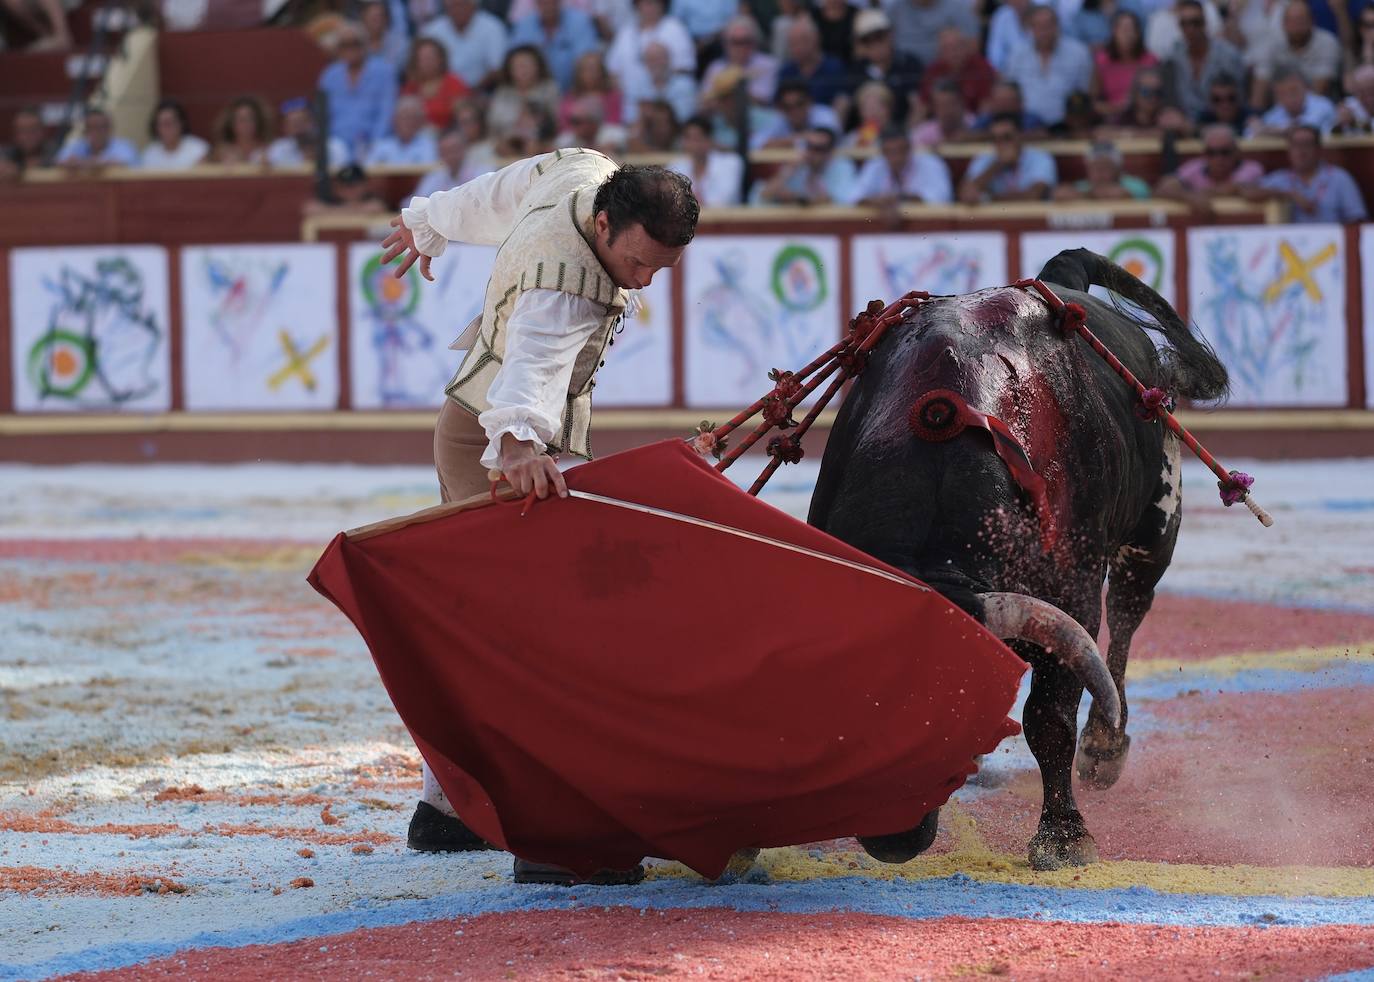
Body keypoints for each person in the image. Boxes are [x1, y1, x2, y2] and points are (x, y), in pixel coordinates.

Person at [381, 150, 700, 886]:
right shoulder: (569, 287)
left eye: (662, 269)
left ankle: (447, 810)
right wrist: (522, 445)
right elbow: (533, 360)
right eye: (639, 261)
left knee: (499, 627)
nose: (645, 279)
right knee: (527, 636)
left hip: (480, 428)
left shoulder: (583, 173)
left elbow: (500, 192)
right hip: (496, 443)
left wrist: (428, 222)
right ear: (604, 223)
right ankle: (549, 834)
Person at [1247, 123, 1367, 221]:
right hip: (1290, 247)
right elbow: (1248, 192)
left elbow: (1357, 219)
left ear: (1319, 150)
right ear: (1289, 151)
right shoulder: (1281, 179)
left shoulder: (1340, 178)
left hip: (1333, 246)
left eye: (1307, 145)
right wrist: (1289, 194)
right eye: (1296, 145)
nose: (1301, 151)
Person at [317, 21, 398, 162]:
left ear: (365, 45)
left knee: (383, 151)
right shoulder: (329, 76)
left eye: (355, 43)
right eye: (344, 45)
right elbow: (322, 116)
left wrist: (374, 143)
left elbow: (387, 113)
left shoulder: (384, 72)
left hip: (374, 144)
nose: (350, 49)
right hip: (336, 145)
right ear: (338, 49)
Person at [1003, 5, 1095, 126]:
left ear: (1057, 26)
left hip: (1067, 126)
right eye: (1039, 27)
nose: (1044, 32)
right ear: (1030, 28)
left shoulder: (1078, 53)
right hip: (1027, 126)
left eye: (1048, 26)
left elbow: (1086, 92)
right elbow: (1010, 92)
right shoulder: (1016, 55)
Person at [1249, 0, 1342, 105]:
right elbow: (1261, 83)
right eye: (1292, 21)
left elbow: (1321, 90)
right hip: (1281, 108)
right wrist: (1256, 114)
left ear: (1312, 21)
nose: (1297, 26)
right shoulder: (1271, 44)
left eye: (1301, 20)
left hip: (1320, 108)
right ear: (1283, 23)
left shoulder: (1327, 43)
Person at [1155, 122, 1264, 211]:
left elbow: (1232, 189)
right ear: (1204, 155)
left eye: (1224, 152)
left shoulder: (1250, 168)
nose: (1218, 158)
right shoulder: (1195, 167)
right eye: (1211, 153)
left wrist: (1195, 195)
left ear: (1236, 152)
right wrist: (1189, 197)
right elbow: (1162, 188)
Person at [1165, 0, 1245, 121]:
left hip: (1220, 124)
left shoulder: (1228, 55)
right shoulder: (1174, 56)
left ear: (1205, 23)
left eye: (1195, 23)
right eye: (1184, 24)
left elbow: (1237, 100)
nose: (1190, 28)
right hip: (1183, 126)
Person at [959, 112, 1058, 203]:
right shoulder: (985, 158)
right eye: (995, 139)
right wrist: (998, 165)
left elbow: (1034, 195)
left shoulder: (1040, 158)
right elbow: (966, 194)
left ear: (1020, 136)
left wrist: (989, 199)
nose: (1001, 144)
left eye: (1007, 137)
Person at [846, 125, 953, 206]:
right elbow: (853, 198)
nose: (896, 157)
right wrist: (878, 202)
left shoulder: (931, 163)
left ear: (909, 147)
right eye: (890, 152)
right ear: (883, 152)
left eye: (901, 150)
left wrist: (899, 200)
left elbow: (942, 198)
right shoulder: (875, 165)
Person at [605, 0, 696, 95]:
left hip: (666, 98)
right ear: (637, 6)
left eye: (654, 2)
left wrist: (657, 88)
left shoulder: (674, 28)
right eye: (645, 3)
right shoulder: (625, 33)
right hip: (630, 99)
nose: (649, 7)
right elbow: (613, 71)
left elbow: (684, 68)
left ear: (662, 5)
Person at [508, 0, 601, 91]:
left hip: (575, 93)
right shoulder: (524, 25)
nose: (548, 4)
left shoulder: (580, 22)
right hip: (535, 95)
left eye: (552, 1)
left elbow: (587, 62)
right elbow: (515, 63)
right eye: (543, 1)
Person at [850, 8, 925, 122]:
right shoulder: (857, 70)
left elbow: (919, 107)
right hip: (869, 133)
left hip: (903, 132)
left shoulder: (909, 64)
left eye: (879, 37)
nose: (874, 44)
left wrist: (907, 136)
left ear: (890, 35)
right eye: (866, 40)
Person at [750, 124, 855, 204]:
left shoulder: (842, 167)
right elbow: (763, 195)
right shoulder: (797, 165)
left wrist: (800, 200)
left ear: (829, 152)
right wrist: (789, 170)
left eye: (819, 149)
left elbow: (846, 201)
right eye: (810, 146)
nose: (812, 153)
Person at [420, 0, 510, 90]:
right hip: (440, 91)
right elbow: (418, 64)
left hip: (482, 92)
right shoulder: (432, 29)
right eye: (454, 5)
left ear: (474, 6)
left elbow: (497, 67)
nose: (458, 10)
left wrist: (470, 91)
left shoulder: (493, 27)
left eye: (462, 5)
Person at [776, 13, 852, 111]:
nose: (798, 47)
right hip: (792, 122)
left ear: (816, 38)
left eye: (803, 41)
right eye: (793, 43)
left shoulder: (834, 67)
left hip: (825, 121)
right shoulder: (786, 72)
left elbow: (844, 99)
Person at [701, 14, 779, 106]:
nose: (741, 48)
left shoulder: (768, 65)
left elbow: (763, 100)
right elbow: (704, 102)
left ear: (754, 43)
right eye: (735, 42)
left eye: (746, 41)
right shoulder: (716, 67)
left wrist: (730, 84)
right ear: (726, 44)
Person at [487, 45, 561, 138]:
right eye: (518, 65)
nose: (523, 70)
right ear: (509, 69)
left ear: (538, 66)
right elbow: (492, 125)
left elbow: (557, 122)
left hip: (542, 144)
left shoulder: (549, 89)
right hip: (505, 143)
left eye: (527, 64)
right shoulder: (502, 92)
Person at [1094, 10, 1158, 116]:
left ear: (1138, 33)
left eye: (1132, 30)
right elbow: (1094, 101)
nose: (1128, 34)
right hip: (1111, 119)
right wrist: (1114, 109)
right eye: (1124, 30)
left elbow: (1159, 96)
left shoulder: (1150, 61)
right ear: (1114, 32)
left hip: (1145, 118)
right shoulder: (1102, 61)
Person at [668, 115, 743, 206]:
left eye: (697, 138)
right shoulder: (675, 167)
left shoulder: (731, 163)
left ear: (709, 140)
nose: (692, 144)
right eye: (688, 138)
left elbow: (725, 200)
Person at [919, 28, 996, 114]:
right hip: (940, 122)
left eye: (957, 47)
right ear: (939, 53)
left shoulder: (981, 67)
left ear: (966, 47)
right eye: (947, 49)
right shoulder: (933, 71)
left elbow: (986, 105)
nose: (953, 53)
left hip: (975, 121)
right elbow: (923, 105)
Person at [402, 37, 471, 131]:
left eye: (431, 58)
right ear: (416, 62)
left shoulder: (454, 83)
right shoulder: (411, 86)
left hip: (447, 136)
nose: (427, 62)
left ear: (441, 59)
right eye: (423, 58)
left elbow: (462, 116)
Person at [751, 78, 842, 148]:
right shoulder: (779, 118)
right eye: (787, 106)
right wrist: (802, 138)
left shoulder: (824, 113)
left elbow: (825, 139)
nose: (795, 111)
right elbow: (755, 143)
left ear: (810, 102)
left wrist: (783, 142)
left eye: (799, 104)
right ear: (781, 107)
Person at [622, 40, 697, 124]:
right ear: (645, 63)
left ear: (668, 59)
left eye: (659, 58)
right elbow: (629, 117)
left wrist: (651, 113)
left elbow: (684, 116)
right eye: (651, 59)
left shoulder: (685, 84)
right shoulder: (635, 85)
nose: (655, 63)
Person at [410, 126, 495, 200]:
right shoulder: (436, 175)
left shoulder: (483, 171)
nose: (450, 155)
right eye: (445, 151)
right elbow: (417, 200)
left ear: (465, 148)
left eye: (454, 149)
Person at [887, 0, 980, 67]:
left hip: (947, 76)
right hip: (904, 75)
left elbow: (973, 46)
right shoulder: (894, 8)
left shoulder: (959, 7)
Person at [1247, 65, 1337, 133]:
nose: (1289, 97)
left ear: (1305, 88)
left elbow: (1304, 132)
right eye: (1282, 93)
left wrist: (1268, 131)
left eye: (1293, 90)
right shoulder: (1274, 114)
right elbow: (1252, 133)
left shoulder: (1323, 105)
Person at [268, 97, 352, 169]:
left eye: (302, 122)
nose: (298, 128)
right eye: (293, 124)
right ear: (285, 128)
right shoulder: (279, 149)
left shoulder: (335, 147)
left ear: (314, 122)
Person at [1053, 140, 1152, 199]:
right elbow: (1060, 194)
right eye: (1095, 168)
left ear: (1117, 170)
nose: (1099, 173)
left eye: (1105, 167)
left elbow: (1122, 195)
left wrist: (1086, 196)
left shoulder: (1136, 185)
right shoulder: (1081, 186)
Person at [559, 51, 624, 132]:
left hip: (604, 138)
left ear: (602, 72)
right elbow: (564, 125)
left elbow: (614, 123)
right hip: (577, 137)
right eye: (586, 69)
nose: (590, 73)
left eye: (593, 69)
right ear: (578, 73)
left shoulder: (612, 96)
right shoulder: (570, 98)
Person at [56, 107, 138, 169]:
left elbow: (126, 163)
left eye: (101, 127)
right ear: (85, 131)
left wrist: (91, 164)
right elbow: (60, 161)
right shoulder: (77, 145)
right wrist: (92, 164)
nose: (96, 132)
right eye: (92, 127)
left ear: (109, 129)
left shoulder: (123, 146)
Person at [367, 96, 440, 165]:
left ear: (420, 122)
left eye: (412, 117)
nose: (407, 122)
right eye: (403, 117)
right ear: (394, 120)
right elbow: (369, 173)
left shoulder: (431, 148)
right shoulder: (380, 147)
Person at [140, 98, 209, 170]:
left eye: (169, 123)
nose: (166, 129)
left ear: (181, 123)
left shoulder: (198, 150)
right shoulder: (150, 153)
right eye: (161, 124)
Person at [911, 78, 977, 147]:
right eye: (941, 105)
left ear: (962, 103)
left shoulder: (976, 124)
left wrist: (971, 137)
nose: (946, 111)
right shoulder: (922, 134)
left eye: (951, 104)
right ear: (933, 108)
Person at [303, 163, 389, 216]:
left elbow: (377, 207)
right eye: (344, 186)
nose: (349, 190)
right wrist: (351, 210)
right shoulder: (331, 200)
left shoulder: (372, 200)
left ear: (364, 185)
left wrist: (332, 212)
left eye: (353, 185)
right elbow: (309, 208)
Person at [556, 93, 630, 155]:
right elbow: (554, 150)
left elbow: (632, 145)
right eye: (572, 121)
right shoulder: (568, 138)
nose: (573, 126)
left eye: (577, 122)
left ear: (593, 122)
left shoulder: (615, 133)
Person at [2, 106, 54, 174]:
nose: (27, 136)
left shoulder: (55, 150)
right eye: (22, 130)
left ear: (43, 131)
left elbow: (58, 161)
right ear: (15, 133)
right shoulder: (7, 152)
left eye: (32, 130)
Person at [361, 0, 409, 69]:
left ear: (386, 19)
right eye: (373, 18)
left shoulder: (399, 43)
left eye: (379, 17)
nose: (376, 22)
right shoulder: (356, 42)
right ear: (364, 19)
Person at [1333, 63, 1374, 131]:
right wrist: (1340, 124)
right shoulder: (1348, 106)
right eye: (1362, 92)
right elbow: (1329, 134)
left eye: (1372, 91)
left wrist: (1355, 122)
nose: (1368, 97)